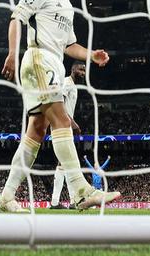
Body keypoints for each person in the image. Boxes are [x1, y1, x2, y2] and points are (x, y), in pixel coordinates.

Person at [0, 0, 120, 212]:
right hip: (39, 59)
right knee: (61, 121)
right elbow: (17, 18)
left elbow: (69, 45)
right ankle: (81, 191)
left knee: (36, 131)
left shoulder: (67, 7)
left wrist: (91, 55)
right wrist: (12, 53)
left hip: (53, 63)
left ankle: (6, 197)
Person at [48, 63, 86, 209]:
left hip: (64, 124)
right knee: (68, 162)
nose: (83, 73)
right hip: (62, 124)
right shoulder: (66, 82)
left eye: (84, 70)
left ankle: (58, 202)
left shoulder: (73, 85)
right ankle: (72, 201)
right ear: (73, 69)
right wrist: (73, 123)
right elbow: (59, 104)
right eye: (80, 69)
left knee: (64, 163)